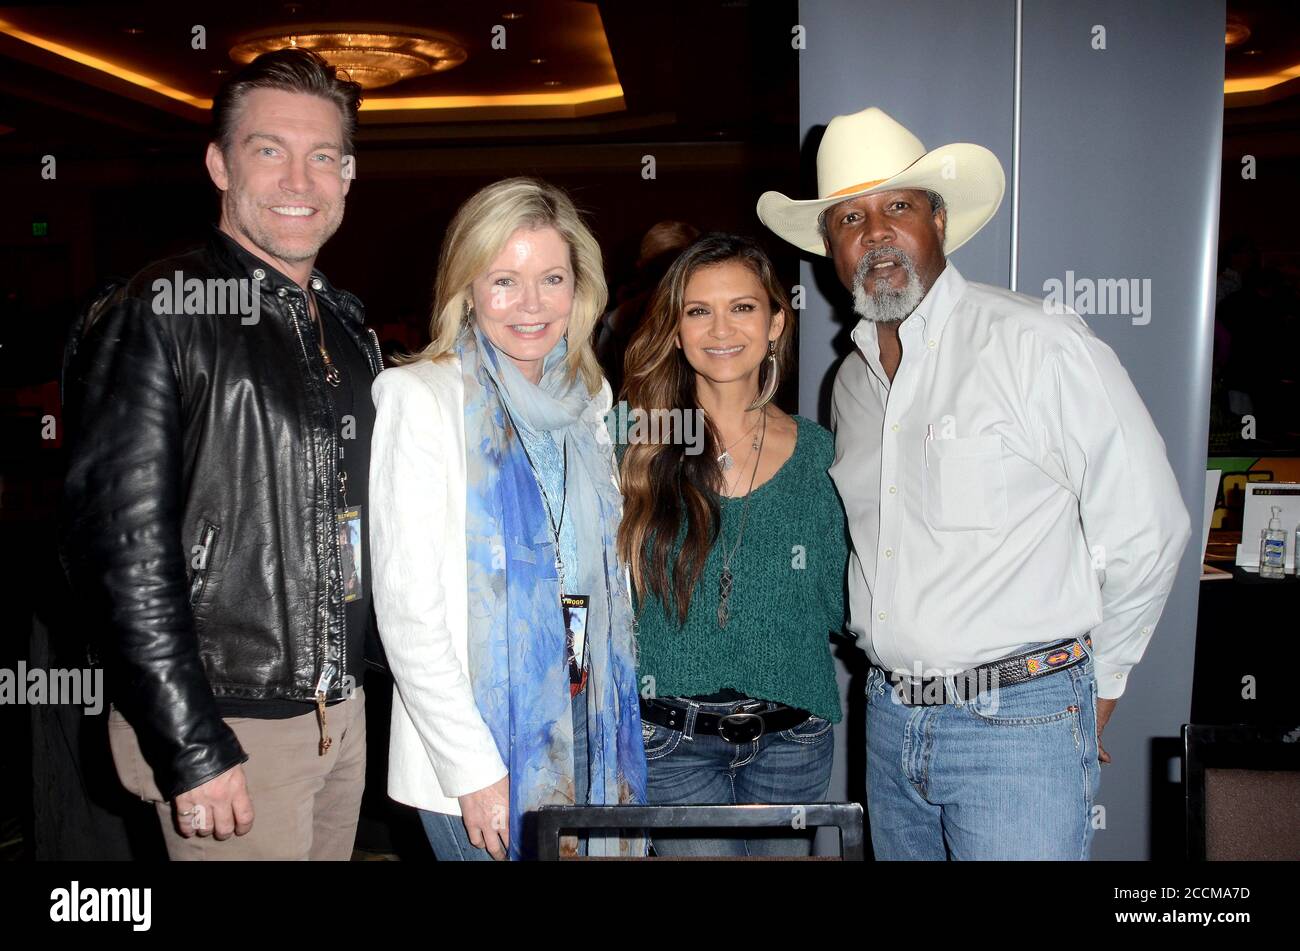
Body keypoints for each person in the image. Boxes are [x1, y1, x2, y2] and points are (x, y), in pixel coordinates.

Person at [758, 105, 1192, 860]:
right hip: (888, 719)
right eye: (850, 218)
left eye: (899, 206)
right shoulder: (849, 386)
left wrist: (1105, 680)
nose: (876, 232)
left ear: (940, 222)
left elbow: (1150, 525)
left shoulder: (1037, 342)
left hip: (1018, 723)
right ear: (830, 247)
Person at [61, 48, 379, 860]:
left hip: (337, 713)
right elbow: (116, 554)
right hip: (229, 722)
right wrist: (191, 744)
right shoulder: (160, 309)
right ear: (218, 164)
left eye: (323, 157)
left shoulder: (345, 323)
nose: (299, 181)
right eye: (269, 150)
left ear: (349, 175)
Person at [369, 177, 646, 861]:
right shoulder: (422, 398)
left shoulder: (586, 397)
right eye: (504, 280)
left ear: (578, 290)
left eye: (551, 278)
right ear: (467, 289)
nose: (532, 305)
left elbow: (585, 572)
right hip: (475, 760)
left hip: (582, 730)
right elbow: (408, 612)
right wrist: (475, 769)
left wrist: (587, 692)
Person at [618, 232, 846, 857]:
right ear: (676, 327)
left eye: (742, 307)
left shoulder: (823, 453)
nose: (721, 328)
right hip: (671, 741)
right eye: (698, 310)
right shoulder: (629, 443)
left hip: (794, 740)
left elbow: (840, 600)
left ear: (776, 322)